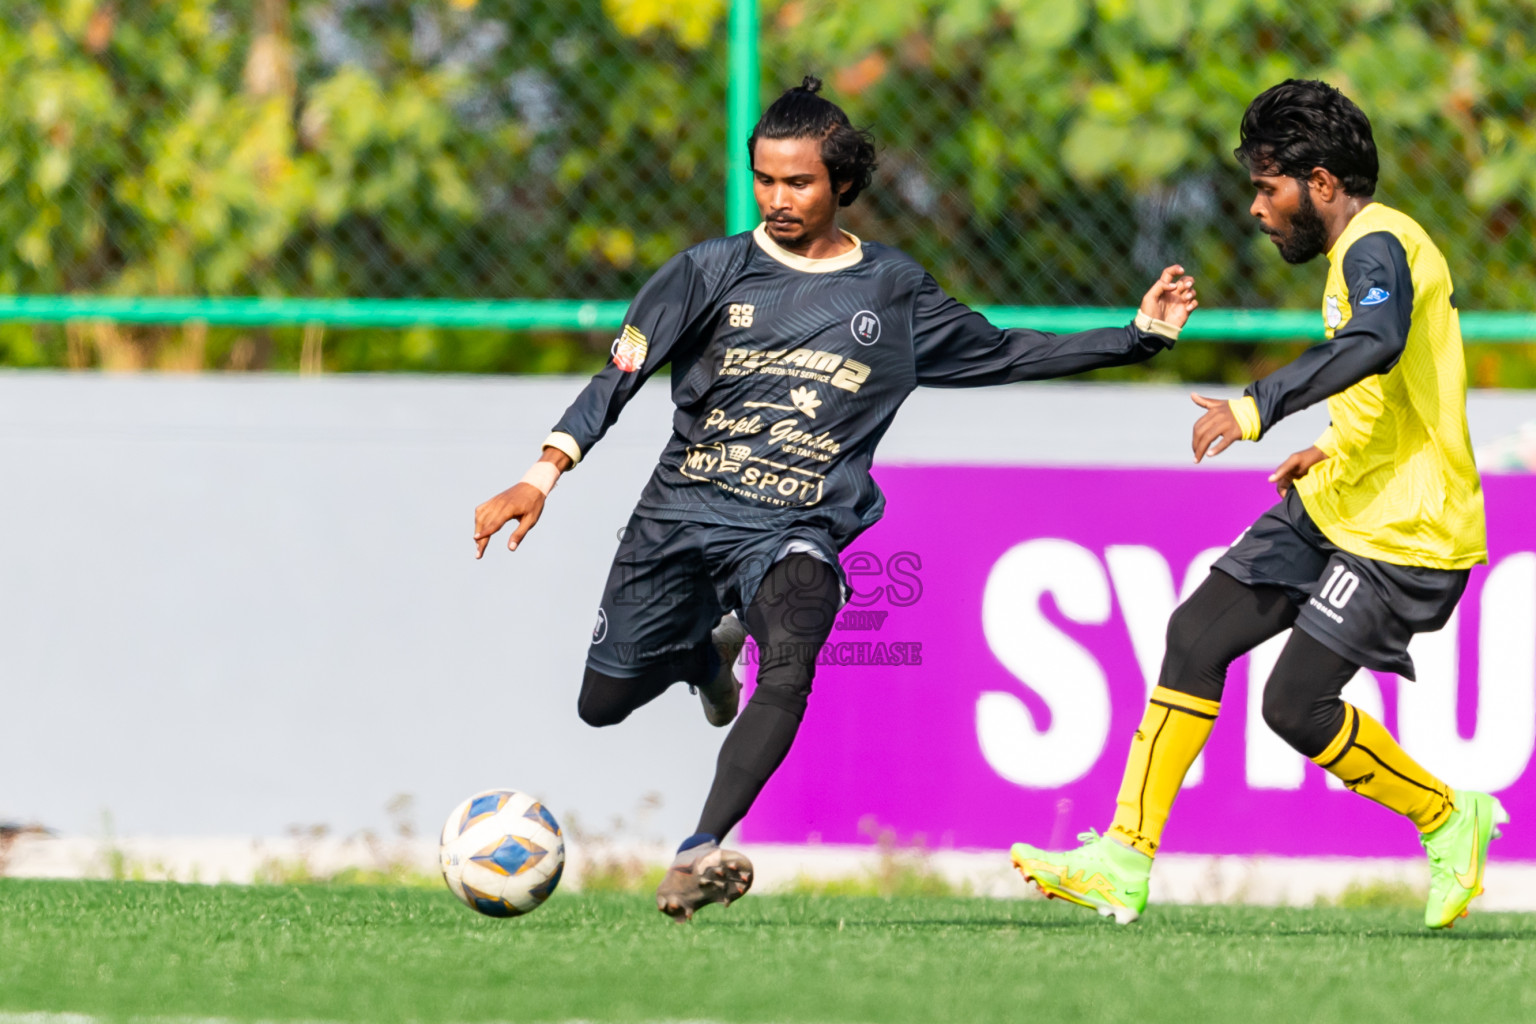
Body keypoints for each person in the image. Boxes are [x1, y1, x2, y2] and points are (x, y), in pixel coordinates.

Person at [474, 77, 1197, 921]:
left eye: (800, 183)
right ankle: (704, 656)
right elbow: (618, 380)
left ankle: (698, 850)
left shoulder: (892, 292)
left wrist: (1136, 339)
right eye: (767, 181)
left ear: (841, 184)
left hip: (796, 528)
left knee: (793, 652)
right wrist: (541, 474)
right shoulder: (706, 273)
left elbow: (1003, 353)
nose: (779, 200)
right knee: (602, 704)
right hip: (679, 518)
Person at [1009, 79, 1503, 930]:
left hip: (1405, 530)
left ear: (1318, 182)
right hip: (1340, 493)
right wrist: (1335, 445)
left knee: (1291, 707)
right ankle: (1124, 861)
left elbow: (1377, 344)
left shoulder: (1377, 245)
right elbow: (1394, 380)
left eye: (1266, 187)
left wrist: (1256, 406)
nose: (1255, 208)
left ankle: (1449, 815)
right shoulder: (1362, 251)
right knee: (1196, 635)